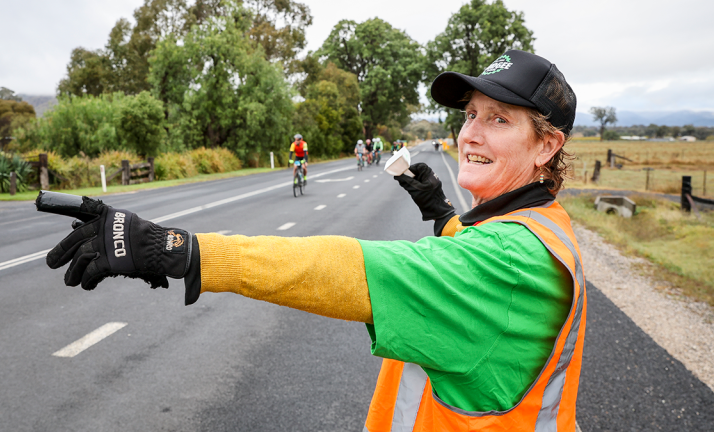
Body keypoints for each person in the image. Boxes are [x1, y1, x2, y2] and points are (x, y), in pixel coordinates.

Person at [42, 49, 584, 432]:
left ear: (545, 146)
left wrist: (183, 249)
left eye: (498, 119)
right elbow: (477, 271)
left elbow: (350, 268)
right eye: (469, 115)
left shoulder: (512, 260)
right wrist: (444, 215)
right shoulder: (541, 225)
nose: (469, 133)